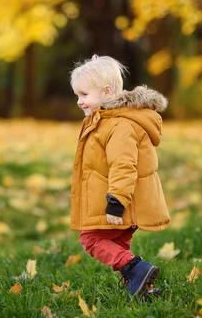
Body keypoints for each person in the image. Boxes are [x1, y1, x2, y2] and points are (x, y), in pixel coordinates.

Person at [69, 54, 171, 298]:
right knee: (118, 245)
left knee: (91, 239)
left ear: (106, 92)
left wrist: (116, 201)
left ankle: (136, 269)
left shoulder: (119, 125)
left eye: (84, 95)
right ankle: (140, 289)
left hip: (122, 201)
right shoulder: (104, 120)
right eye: (77, 96)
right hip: (124, 200)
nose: (79, 102)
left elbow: (123, 165)